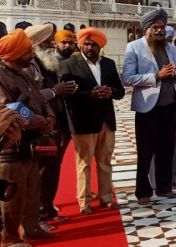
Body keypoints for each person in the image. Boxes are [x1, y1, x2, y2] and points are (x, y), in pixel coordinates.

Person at [122, 8, 176, 205]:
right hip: (147, 109)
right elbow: (127, 78)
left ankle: (164, 187)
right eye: (155, 27)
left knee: (167, 149)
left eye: (162, 27)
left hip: (168, 107)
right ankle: (143, 192)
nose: (159, 31)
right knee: (146, 151)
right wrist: (156, 76)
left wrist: (175, 74)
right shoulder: (134, 47)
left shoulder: (171, 48)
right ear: (146, 29)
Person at [0, 29, 57, 246]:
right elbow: (8, 110)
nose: (31, 54)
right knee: (13, 195)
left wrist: (49, 116)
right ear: (14, 53)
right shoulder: (1, 75)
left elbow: (40, 99)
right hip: (11, 145)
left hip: (32, 143)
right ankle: (10, 237)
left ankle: (32, 228)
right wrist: (40, 121)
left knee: (32, 190)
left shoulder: (24, 73)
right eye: (26, 51)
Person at [61, 27, 124, 215]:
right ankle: (84, 202)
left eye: (93, 44)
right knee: (84, 163)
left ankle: (106, 198)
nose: (89, 47)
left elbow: (120, 91)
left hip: (106, 120)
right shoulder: (70, 64)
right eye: (86, 44)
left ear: (100, 46)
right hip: (83, 121)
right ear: (80, 44)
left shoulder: (109, 64)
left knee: (105, 161)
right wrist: (91, 94)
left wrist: (110, 92)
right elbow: (66, 95)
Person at [24, 25, 75, 228]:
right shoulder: (26, 66)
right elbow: (29, 99)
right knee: (42, 172)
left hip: (57, 125)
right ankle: (38, 216)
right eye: (45, 42)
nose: (49, 45)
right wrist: (55, 91)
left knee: (52, 170)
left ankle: (47, 210)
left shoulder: (45, 63)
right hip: (40, 128)